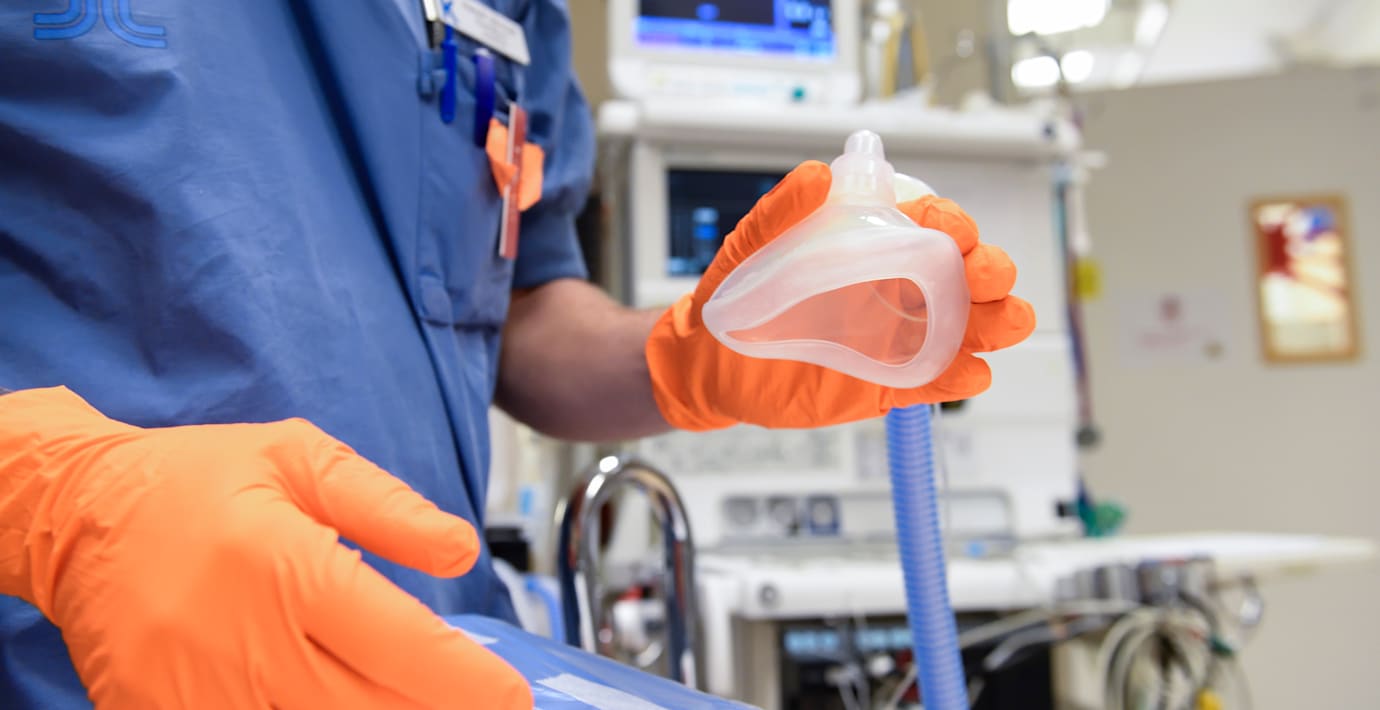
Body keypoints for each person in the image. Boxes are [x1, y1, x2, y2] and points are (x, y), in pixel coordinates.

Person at [0, 2, 1035, 708]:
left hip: (440, 652)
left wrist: (684, 357)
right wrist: (47, 493)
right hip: (69, 658)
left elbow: (520, 314)